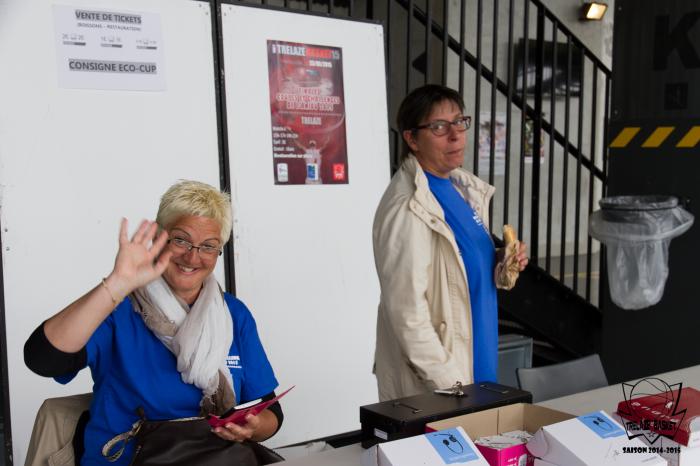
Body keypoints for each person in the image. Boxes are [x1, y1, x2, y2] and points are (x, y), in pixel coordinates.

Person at [24, 180, 282, 464]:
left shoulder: (234, 314)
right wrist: (116, 283)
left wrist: (253, 428)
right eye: (181, 240)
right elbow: (44, 360)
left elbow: (270, 412)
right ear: (160, 238)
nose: (192, 256)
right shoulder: (118, 307)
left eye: (208, 246)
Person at [372, 85, 528, 401]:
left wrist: (502, 262)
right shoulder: (408, 207)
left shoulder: (460, 190)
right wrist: (454, 386)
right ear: (412, 139)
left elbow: (458, 273)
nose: (455, 135)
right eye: (439, 127)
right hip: (442, 389)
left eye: (459, 122)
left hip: (477, 370)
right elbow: (407, 315)